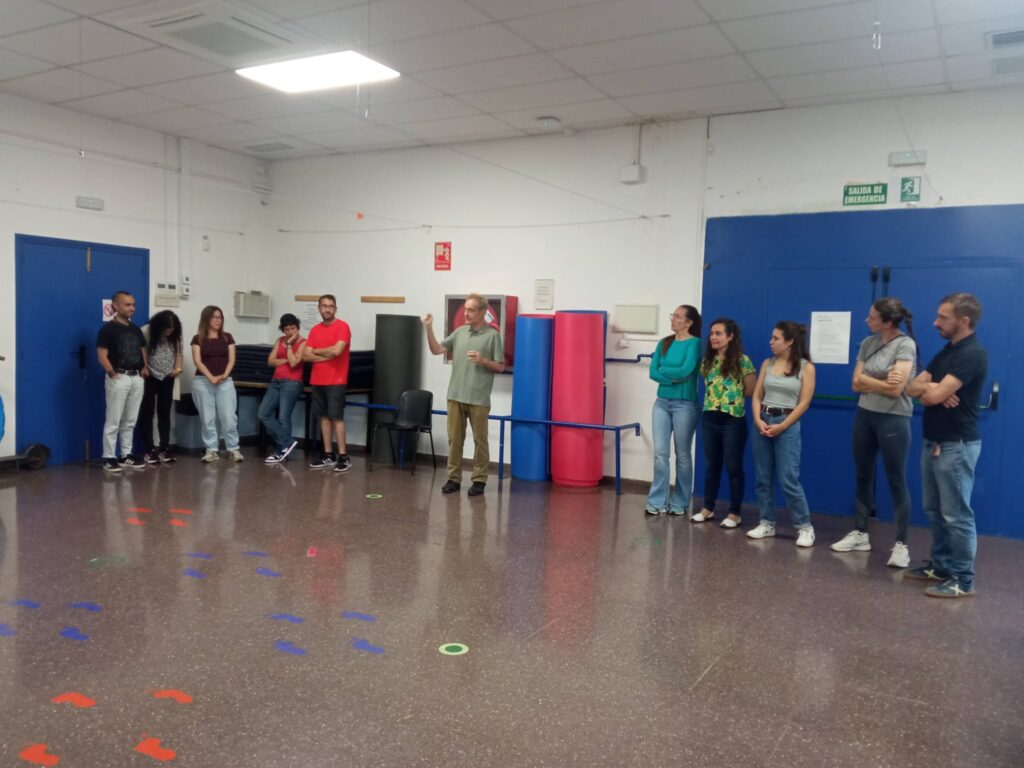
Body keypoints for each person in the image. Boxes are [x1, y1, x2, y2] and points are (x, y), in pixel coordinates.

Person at [904, 293, 988, 598]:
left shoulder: (972, 354)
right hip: (934, 441)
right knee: (935, 510)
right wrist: (931, 386)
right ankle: (940, 567)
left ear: (963, 321)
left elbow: (931, 398)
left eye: (943, 317)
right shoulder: (946, 353)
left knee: (957, 515)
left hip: (957, 445)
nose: (935, 322)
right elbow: (911, 387)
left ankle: (963, 580)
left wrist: (931, 390)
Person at [831, 298, 917, 567]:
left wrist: (869, 380)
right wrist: (880, 380)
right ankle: (860, 534)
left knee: (896, 480)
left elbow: (896, 389)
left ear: (888, 322)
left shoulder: (905, 345)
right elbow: (855, 384)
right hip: (865, 415)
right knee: (863, 474)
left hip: (894, 419)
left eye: (872, 317)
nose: (867, 320)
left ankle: (901, 545)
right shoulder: (868, 343)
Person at [422, 293, 505, 497]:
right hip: (455, 396)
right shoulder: (459, 332)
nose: (466, 313)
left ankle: (479, 480)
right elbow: (436, 349)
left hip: (478, 398)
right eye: (466, 309)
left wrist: (482, 360)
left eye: (471, 310)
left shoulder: (492, 336)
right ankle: (453, 478)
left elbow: (500, 366)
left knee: (480, 441)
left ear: (483, 312)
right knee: (454, 440)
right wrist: (428, 328)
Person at [747, 321, 817, 546]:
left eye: (776, 338)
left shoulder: (806, 368)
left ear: (789, 342)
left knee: (788, 479)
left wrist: (783, 425)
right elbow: (757, 395)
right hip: (763, 421)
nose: (771, 342)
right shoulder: (767, 363)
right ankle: (766, 522)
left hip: (786, 423)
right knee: (763, 477)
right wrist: (758, 420)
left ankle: (804, 526)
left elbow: (804, 403)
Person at [691, 318, 756, 528]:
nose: (713, 337)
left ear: (730, 337)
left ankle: (735, 513)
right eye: (711, 333)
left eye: (718, 333)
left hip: (732, 420)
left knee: (733, 466)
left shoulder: (742, 360)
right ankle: (707, 508)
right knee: (712, 465)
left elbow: (751, 390)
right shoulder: (707, 361)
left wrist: (731, 398)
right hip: (710, 418)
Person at [645, 305, 702, 516]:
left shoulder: (695, 343)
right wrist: (672, 377)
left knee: (683, 454)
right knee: (660, 454)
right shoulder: (664, 342)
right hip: (661, 403)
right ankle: (657, 501)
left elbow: (686, 371)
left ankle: (680, 501)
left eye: (678, 316)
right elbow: (653, 372)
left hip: (685, 405)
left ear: (689, 322)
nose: (673, 319)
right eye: (673, 315)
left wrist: (664, 371)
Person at [96, 291, 149, 473]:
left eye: (133, 304)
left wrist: (145, 367)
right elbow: (102, 355)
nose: (132, 308)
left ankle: (126, 454)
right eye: (127, 304)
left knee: (130, 419)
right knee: (114, 419)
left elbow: (142, 349)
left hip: (136, 378)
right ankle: (109, 457)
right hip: (118, 377)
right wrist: (112, 373)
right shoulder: (107, 329)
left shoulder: (135, 329)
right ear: (115, 306)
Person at [302, 295, 352, 472]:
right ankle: (328, 454)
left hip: (336, 380)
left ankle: (343, 457)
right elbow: (305, 355)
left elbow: (337, 351)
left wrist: (316, 351)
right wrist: (326, 353)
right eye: (324, 306)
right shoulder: (315, 330)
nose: (327, 309)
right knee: (323, 417)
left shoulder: (342, 327)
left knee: (336, 417)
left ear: (335, 309)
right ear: (319, 308)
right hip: (318, 379)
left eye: (331, 306)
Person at [190, 305, 242, 463]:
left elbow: (232, 359)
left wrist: (225, 375)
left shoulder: (227, 337)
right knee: (208, 418)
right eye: (214, 317)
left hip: (225, 382)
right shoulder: (197, 339)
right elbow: (197, 361)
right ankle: (211, 450)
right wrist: (211, 377)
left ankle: (233, 448)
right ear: (206, 319)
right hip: (203, 382)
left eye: (220, 317)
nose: (218, 320)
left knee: (228, 416)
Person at [259, 313, 305, 465]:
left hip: (292, 382)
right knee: (263, 413)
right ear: (283, 330)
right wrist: (286, 359)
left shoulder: (303, 343)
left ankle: (281, 451)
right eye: (287, 329)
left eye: (293, 328)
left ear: (297, 328)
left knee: (283, 417)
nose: (290, 332)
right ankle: (288, 442)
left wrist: (290, 345)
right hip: (276, 381)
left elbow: (294, 364)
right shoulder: (279, 340)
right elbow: (270, 361)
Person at [139, 310, 183, 465]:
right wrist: (144, 367)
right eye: (166, 329)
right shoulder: (146, 331)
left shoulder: (176, 334)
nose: (169, 332)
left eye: (171, 329)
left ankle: (165, 446)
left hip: (168, 376)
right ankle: (149, 448)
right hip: (150, 375)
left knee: (164, 411)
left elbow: (180, 352)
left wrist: (178, 369)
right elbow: (142, 351)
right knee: (147, 411)